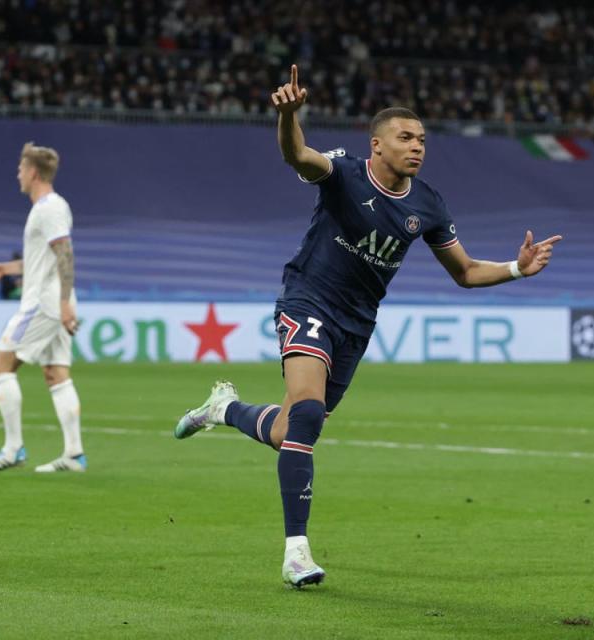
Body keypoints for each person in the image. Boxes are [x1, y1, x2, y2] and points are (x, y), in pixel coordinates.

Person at [174, 65, 561, 588]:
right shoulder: (344, 173)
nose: (417, 147)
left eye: (422, 139)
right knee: (308, 414)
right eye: (405, 138)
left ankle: (224, 409)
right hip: (307, 301)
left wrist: (517, 268)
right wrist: (289, 117)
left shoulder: (428, 203)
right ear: (376, 145)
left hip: (356, 325)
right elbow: (297, 155)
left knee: (291, 429)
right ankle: (296, 553)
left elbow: (466, 272)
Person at [0, 142, 86, 473]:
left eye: (22, 169)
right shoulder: (51, 207)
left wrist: (64, 303)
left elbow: (65, 254)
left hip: (44, 304)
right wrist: (6, 269)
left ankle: (13, 449)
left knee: (0, 367)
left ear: (33, 172)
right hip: (55, 301)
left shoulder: (48, 209)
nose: (18, 174)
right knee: (55, 373)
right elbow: (45, 258)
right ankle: (74, 454)